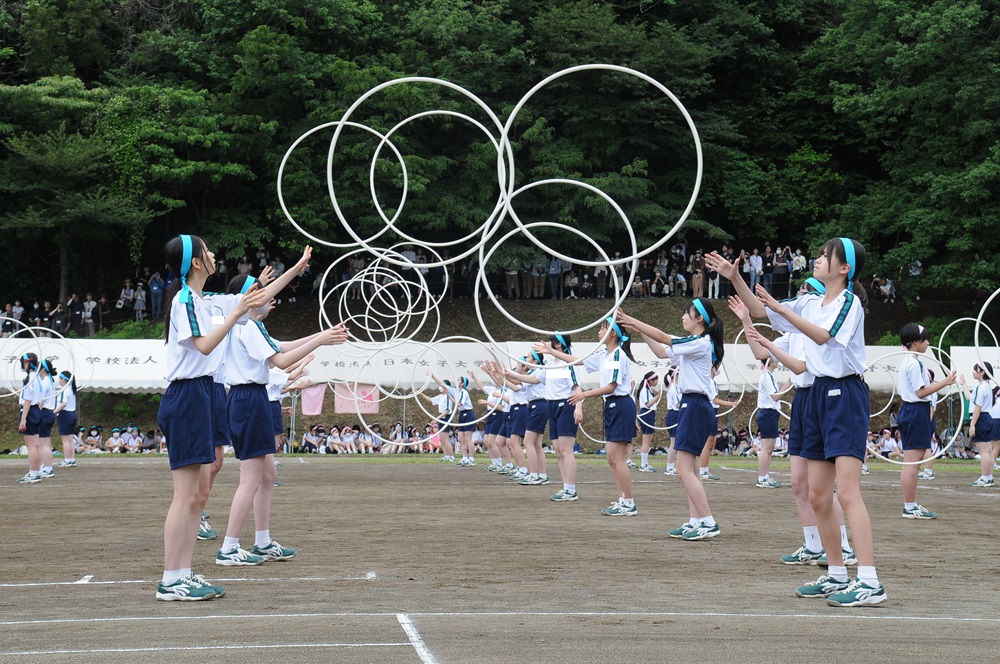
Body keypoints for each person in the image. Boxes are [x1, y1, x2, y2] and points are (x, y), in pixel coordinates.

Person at [727, 238, 886, 606]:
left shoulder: (849, 302)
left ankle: (870, 580)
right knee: (817, 495)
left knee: (846, 492)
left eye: (824, 256)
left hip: (844, 395)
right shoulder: (811, 302)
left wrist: (780, 307)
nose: (816, 260)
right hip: (814, 397)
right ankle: (835, 573)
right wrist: (736, 278)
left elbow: (822, 335)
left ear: (843, 268)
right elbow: (763, 312)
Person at [154, 234, 268, 602]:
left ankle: (183, 572)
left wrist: (296, 269)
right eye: (207, 250)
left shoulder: (205, 300)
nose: (214, 253)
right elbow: (203, 345)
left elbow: (254, 300)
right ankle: (172, 578)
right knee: (185, 496)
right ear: (196, 262)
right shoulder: (185, 300)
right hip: (188, 395)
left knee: (200, 493)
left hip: (203, 394)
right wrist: (235, 314)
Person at [215, 275, 347, 567]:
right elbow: (281, 360)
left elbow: (283, 347)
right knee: (250, 479)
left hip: (254, 399)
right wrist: (321, 340)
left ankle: (261, 541)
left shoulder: (250, 325)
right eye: (261, 291)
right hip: (248, 399)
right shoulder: (245, 326)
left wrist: (320, 337)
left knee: (267, 476)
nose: (267, 296)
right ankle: (229, 547)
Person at [617, 299, 724, 532]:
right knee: (691, 469)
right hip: (693, 405)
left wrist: (633, 321)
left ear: (699, 319)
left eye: (687, 313)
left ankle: (708, 521)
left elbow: (665, 338)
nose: (683, 317)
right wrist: (639, 330)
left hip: (695, 405)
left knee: (684, 469)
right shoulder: (695, 343)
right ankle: (696, 521)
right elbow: (661, 349)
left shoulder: (701, 342)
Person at [539, 319, 637, 515]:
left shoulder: (618, 355)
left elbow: (612, 386)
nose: (599, 332)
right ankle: (622, 499)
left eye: (602, 328)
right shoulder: (604, 354)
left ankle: (628, 502)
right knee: (611, 457)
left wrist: (583, 395)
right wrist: (551, 352)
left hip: (621, 405)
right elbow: (578, 361)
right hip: (612, 405)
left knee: (617, 458)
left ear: (613, 334)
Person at [895, 324, 956, 518]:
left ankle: (910, 505)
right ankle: (910, 506)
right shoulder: (912, 362)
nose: (928, 343)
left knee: (912, 461)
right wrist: (944, 382)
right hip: (915, 410)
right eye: (925, 339)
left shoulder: (909, 360)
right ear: (914, 342)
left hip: (912, 410)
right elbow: (921, 392)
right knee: (912, 462)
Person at [754, 358, 787, 488]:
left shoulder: (768, 375)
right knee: (766, 448)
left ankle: (765, 476)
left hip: (770, 413)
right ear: (770, 361)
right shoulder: (766, 376)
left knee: (769, 448)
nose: (778, 361)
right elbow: (774, 396)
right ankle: (762, 478)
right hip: (768, 413)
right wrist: (789, 383)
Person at [15, 354, 44, 483]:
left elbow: (28, 400)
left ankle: (33, 473)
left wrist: (23, 419)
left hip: (30, 411)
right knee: (36, 445)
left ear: (26, 363)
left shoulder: (29, 379)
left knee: (31, 445)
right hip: (37, 411)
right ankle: (35, 472)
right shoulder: (37, 378)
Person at [967, 363, 995, 487]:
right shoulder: (987, 386)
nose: (973, 372)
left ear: (982, 372)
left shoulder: (981, 387)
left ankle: (985, 478)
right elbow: (971, 399)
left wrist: (972, 425)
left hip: (981, 418)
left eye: (975, 369)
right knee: (988, 450)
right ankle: (988, 477)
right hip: (986, 417)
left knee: (984, 451)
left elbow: (977, 408)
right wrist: (963, 384)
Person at [635, 371, 660, 472]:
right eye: (656, 380)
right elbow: (648, 404)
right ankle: (643, 464)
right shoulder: (644, 390)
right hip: (646, 413)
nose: (657, 382)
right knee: (646, 440)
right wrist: (657, 397)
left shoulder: (648, 390)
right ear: (651, 380)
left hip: (649, 414)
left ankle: (645, 463)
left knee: (648, 439)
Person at [54, 371, 78, 467]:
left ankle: (67, 459)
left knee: (65, 440)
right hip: (72, 414)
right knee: (70, 439)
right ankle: (71, 459)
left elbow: (63, 403)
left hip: (65, 415)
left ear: (63, 379)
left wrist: (54, 412)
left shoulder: (65, 389)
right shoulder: (72, 389)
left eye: (60, 378)